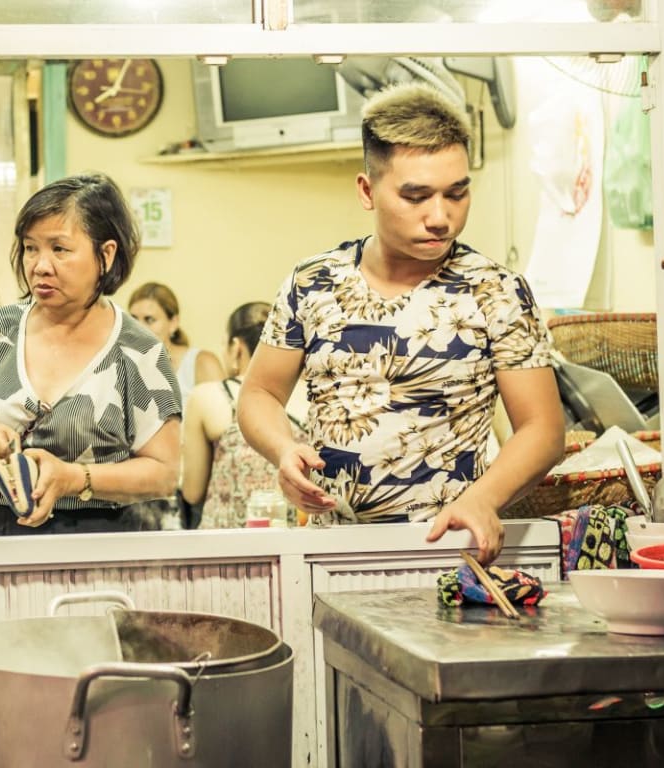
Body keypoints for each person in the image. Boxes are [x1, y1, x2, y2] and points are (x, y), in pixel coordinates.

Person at [238, 82, 565, 565]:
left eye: (457, 193)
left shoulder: (496, 291)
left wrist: (483, 498)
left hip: (450, 548)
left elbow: (543, 429)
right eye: (416, 196)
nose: (441, 217)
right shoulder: (312, 283)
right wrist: (283, 450)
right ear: (367, 190)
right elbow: (259, 394)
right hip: (329, 552)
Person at [0, 174, 183, 536]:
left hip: (97, 537)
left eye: (59, 249)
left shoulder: (138, 350)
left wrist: (73, 478)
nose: (40, 265)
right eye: (30, 248)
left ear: (106, 255)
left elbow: (164, 474)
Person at [181, 302, 310, 529]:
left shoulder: (207, 396)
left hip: (227, 541)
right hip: (293, 538)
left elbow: (192, 492)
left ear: (236, 347)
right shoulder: (312, 394)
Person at [128, 282, 223, 396]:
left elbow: (222, 406)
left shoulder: (202, 363)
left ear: (173, 323)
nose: (138, 328)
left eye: (149, 320)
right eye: (133, 319)